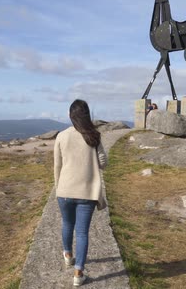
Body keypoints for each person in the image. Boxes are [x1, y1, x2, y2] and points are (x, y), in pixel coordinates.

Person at [53, 99, 107, 286]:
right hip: (88, 192)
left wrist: (58, 188)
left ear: (70, 115)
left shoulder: (61, 136)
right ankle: (78, 273)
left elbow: (57, 165)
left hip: (65, 190)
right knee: (82, 232)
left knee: (67, 223)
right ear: (87, 115)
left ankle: (68, 255)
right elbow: (103, 163)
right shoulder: (94, 135)